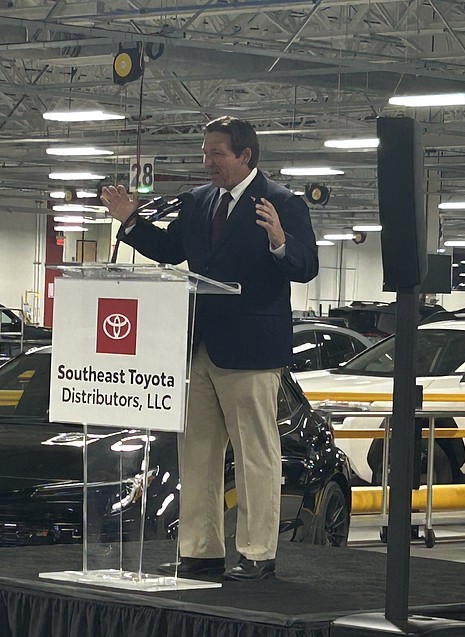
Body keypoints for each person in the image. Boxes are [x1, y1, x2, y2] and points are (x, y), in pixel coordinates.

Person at [100, 116, 318, 581]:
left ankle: (258, 552)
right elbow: (172, 250)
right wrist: (131, 221)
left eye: (217, 154)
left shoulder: (282, 203)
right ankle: (200, 549)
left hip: (252, 349)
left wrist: (280, 241)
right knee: (196, 452)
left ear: (245, 156)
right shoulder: (199, 202)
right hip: (199, 346)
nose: (208, 162)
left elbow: (306, 266)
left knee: (255, 454)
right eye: (205, 153)